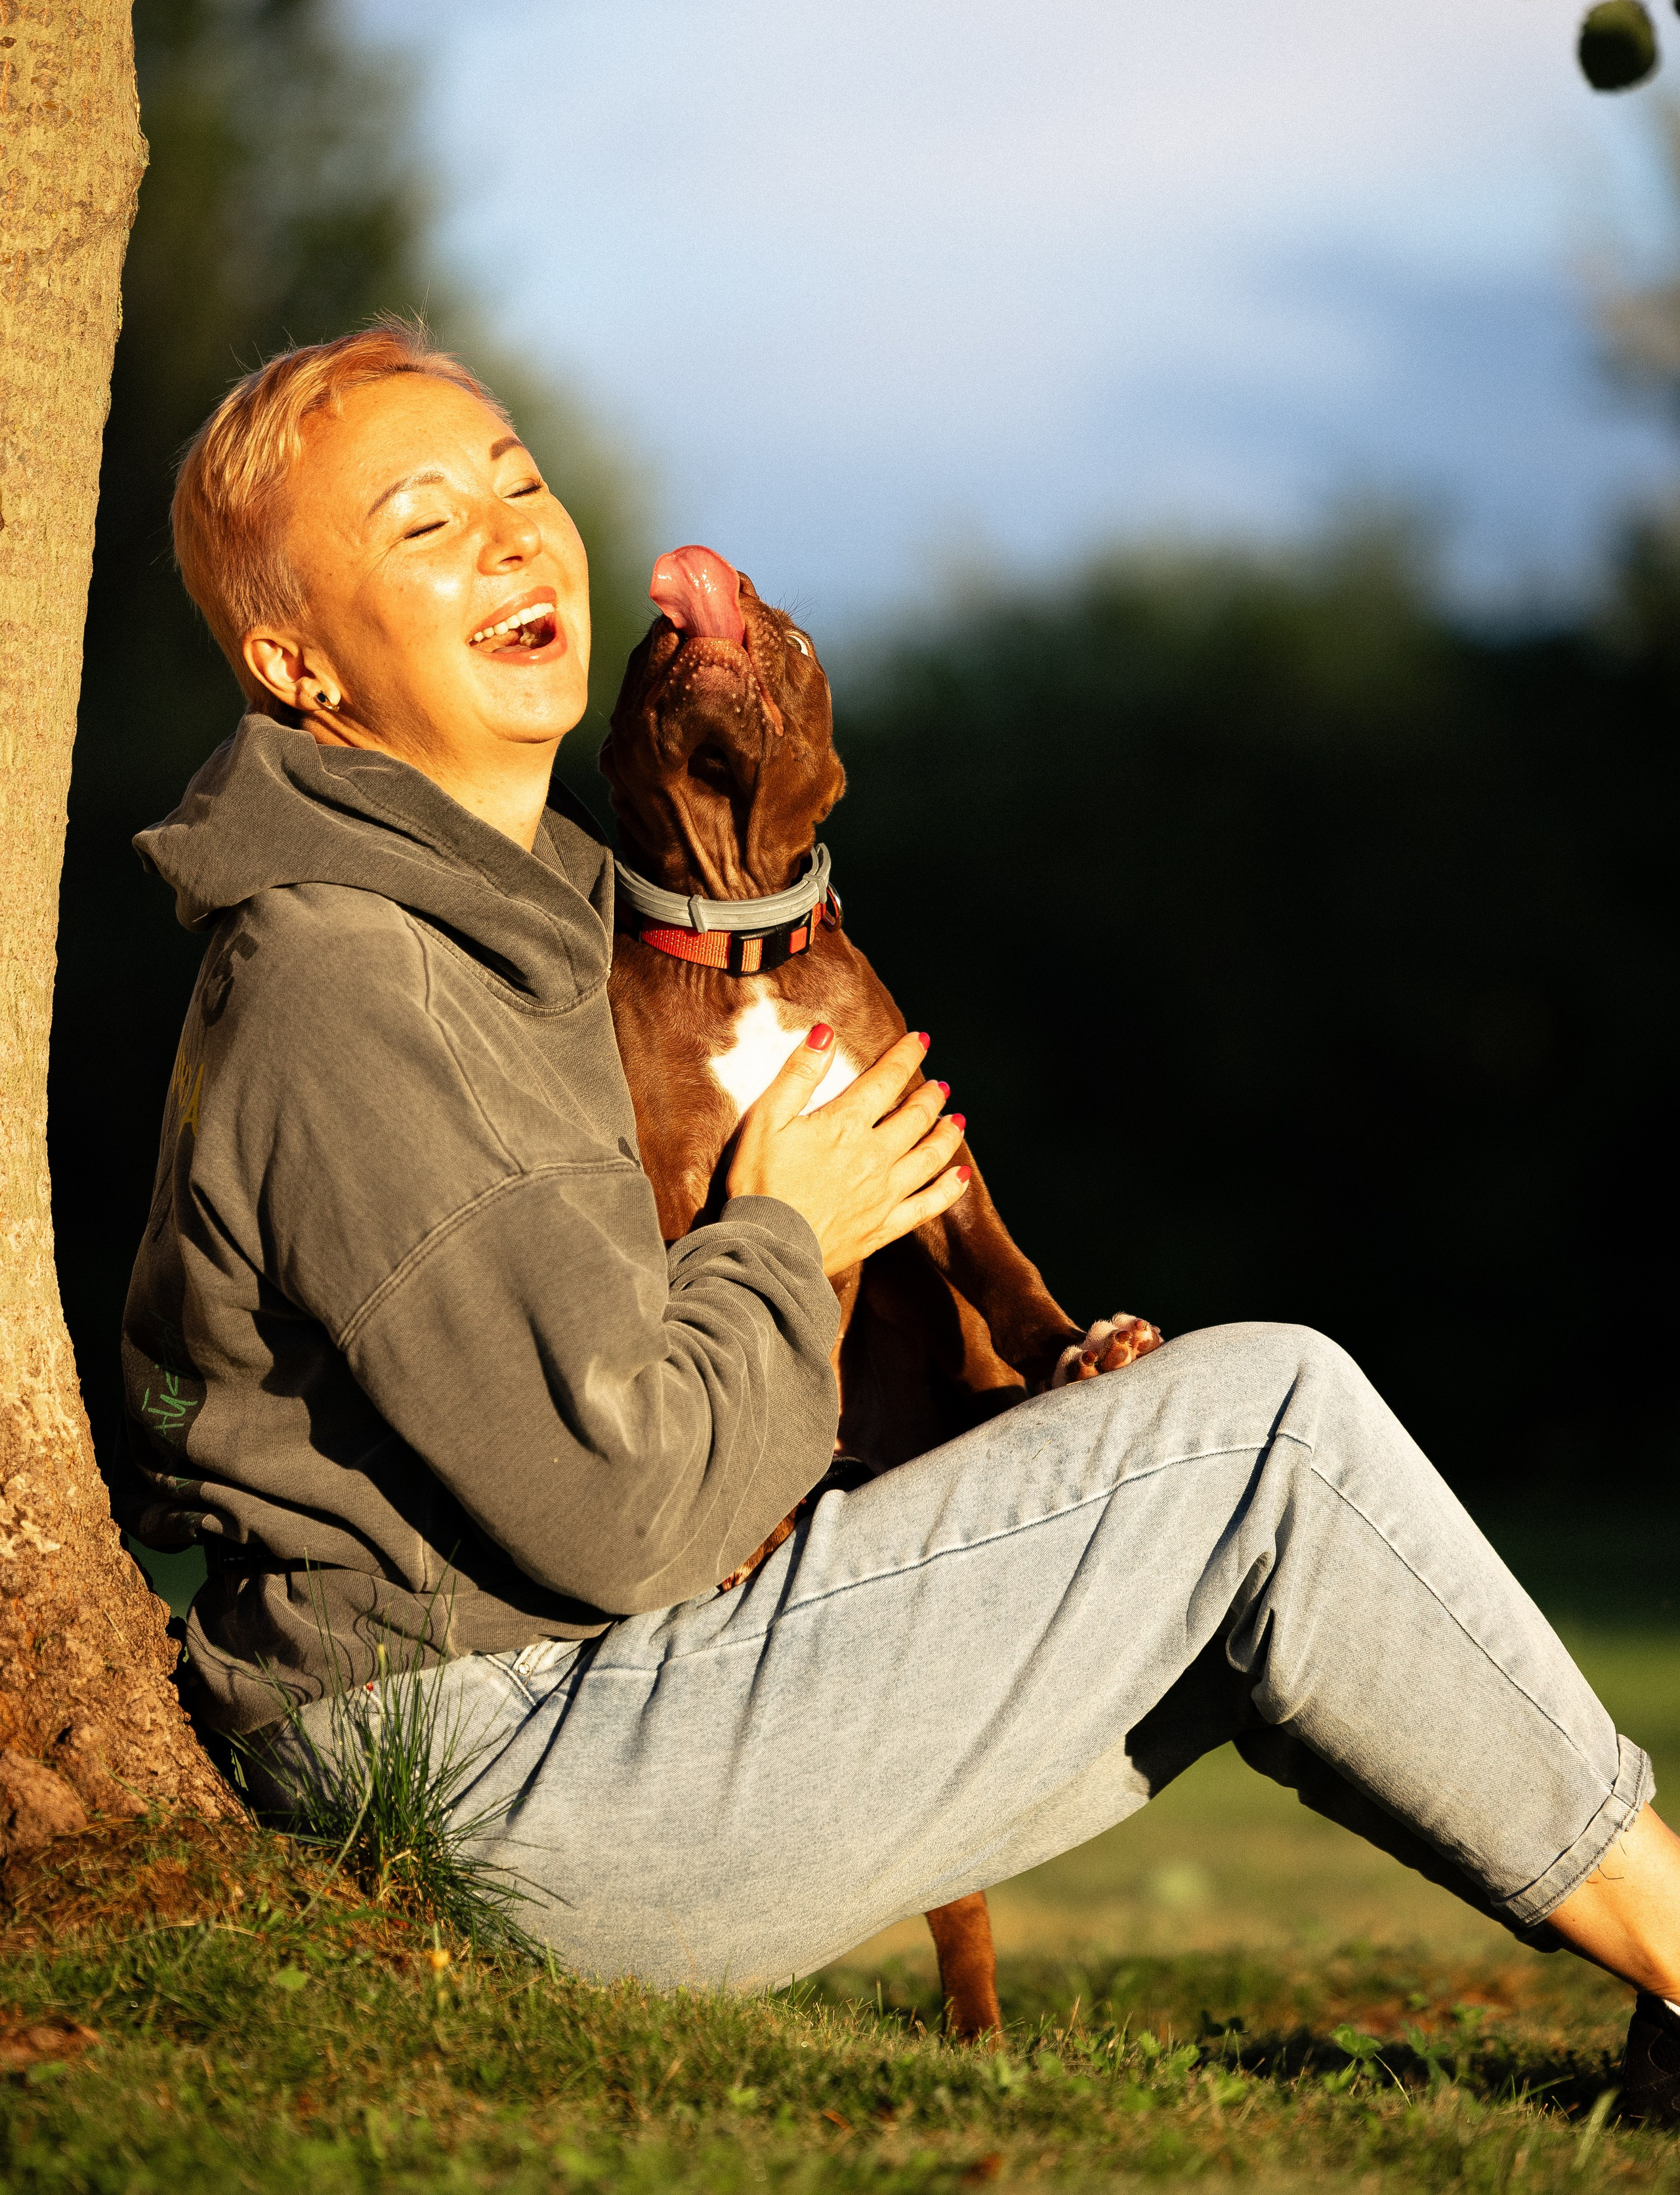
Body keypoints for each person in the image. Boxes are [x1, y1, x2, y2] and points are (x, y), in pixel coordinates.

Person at [124, 320, 1680, 2118]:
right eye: (421, 524)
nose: (505, 532)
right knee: (1269, 1430)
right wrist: (790, 1228)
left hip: (560, 1719)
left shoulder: (515, 939)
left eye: (520, 486)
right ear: (294, 659)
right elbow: (622, 1508)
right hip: (491, 1776)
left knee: (1224, 1472)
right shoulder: (348, 981)